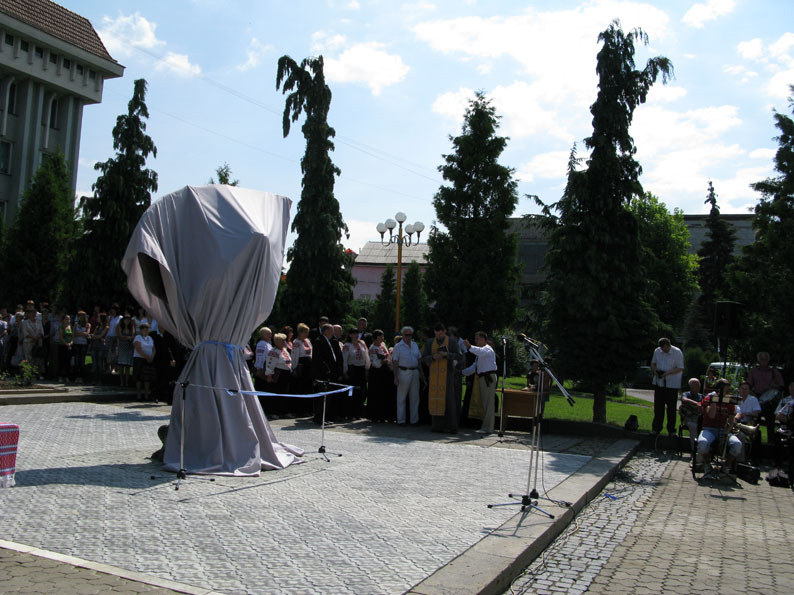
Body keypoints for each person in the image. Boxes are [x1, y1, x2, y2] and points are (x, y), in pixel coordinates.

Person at [695, 379, 742, 476]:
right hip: (709, 429)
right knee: (702, 443)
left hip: (724, 430)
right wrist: (714, 401)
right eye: (727, 389)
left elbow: (731, 419)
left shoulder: (730, 400)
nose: (729, 391)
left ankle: (726, 466)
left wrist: (727, 431)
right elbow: (711, 415)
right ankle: (707, 465)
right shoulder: (709, 398)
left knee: (737, 445)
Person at [422, 322, 462, 433]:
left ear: (444, 332)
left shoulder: (452, 342)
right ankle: (437, 426)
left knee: (449, 401)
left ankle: (452, 426)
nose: (438, 336)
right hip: (434, 376)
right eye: (436, 334)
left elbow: (459, 356)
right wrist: (433, 357)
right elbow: (423, 358)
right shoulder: (430, 342)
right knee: (436, 400)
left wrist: (447, 355)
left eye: (440, 334)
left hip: (448, 376)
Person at [462, 331, 499, 435]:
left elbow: (479, 351)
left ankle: (488, 428)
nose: (476, 341)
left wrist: (469, 347)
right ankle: (486, 427)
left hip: (488, 378)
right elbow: (474, 367)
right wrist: (462, 372)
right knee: (486, 403)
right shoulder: (480, 354)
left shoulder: (487, 349)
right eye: (475, 339)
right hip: (483, 378)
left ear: (483, 339)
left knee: (488, 404)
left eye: (477, 339)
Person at [747, 351, 784, 442]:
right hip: (757, 398)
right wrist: (753, 395)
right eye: (761, 359)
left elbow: (781, 386)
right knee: (755, 421)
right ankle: (755, 442)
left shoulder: (773, 371)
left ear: (768, 360)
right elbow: (748, 385)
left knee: (770, 422)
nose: (763, 361)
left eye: (765, 359)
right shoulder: (753, 371)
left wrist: (775, 387)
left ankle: (770, 443)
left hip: (770, 402)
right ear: (758, 360)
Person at [650, 337, 684, 436]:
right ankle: (656, 428)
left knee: (671, 409)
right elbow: (653, 363)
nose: (663, 350)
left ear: (668, 345)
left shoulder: (677, 352)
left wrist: (668, 373)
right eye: (662, 348)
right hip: (659, 383)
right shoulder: (657, 351)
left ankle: (671, 430)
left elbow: (680, 368)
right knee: (658, 408)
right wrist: (655, 371)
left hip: (672, 384)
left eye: (665, 348)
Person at [311, 323, 343, 424]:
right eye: (332, 330)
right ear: (326, 331)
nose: (333, 333)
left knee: (329, 397)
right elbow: (318, 358)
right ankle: (318, 417)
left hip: (331, 373)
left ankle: (325, 417)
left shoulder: (330, 341)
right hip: (323, 374)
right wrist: (326, 369)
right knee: (323, 396)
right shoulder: (319, 341)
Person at [392, 326, 424, 426]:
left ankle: (414, 420)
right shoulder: (398, 346)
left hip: (415, 372)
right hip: (403, 371)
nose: (408, 337)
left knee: (415, 398)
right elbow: (395, 362)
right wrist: (395, 376)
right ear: (403, 335)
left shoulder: (415, 345)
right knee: (401, 397)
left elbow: (419, 360)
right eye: (406, 335)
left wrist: (421, 373)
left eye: (410, 335)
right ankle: (401, 420)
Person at [343, 327, 370, 419]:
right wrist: (345, 372)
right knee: (351, 392)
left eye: (357, 333)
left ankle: (358, 412)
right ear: (350, 335)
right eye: (354, 333)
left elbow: (366, 356)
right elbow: (344, 359)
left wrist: (367, 368)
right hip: (352, 369)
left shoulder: (362, 343)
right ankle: (349, 413)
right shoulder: (347, 345)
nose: (356, 335)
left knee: (360, 392)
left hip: (361, 369)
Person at [367, 330, 393, 422]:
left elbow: (387, 357)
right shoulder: (373, 348)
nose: (383, 338)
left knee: (384, 394)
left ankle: (383, 415)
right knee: (376, 394)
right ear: (377, 337)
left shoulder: (382, 345)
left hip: (384, 372)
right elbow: (375, 363)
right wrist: (383, 361)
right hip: (377, 373)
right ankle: (375, 415)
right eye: (381, 336)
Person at [264, 333, 292, 416]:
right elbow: (269, 364)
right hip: (278, 373)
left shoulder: (284, 350)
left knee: (285, 392)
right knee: (276, 392)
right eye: (282, 340)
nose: (284, 342)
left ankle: (283, 411)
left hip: (286, 373)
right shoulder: (273, 352)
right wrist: (269, 375)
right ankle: (274, 412)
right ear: (277, 342)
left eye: (284, 340)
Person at [735, 380, 762, 465]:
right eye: (742, 388)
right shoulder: (735, 399)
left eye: (746, 389)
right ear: (739, 389)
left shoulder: (753, 399)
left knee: (757, 434)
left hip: (748, 422)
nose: (744, 390)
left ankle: (755, 458)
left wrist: (746, 414)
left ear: (749, 390)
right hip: (736, 422)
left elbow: (756, 413)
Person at [679, 377, 704, 456]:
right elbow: (684, 399)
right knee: (694, 427)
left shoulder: (701, 396)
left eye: (699, 385)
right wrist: (696, 404)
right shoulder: (686, 394)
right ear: (691, 386)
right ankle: (694, 451)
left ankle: (703, 451)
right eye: (697, 385)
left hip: (699, 419)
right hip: (689, 419)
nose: (699, 387)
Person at [132, 322, 156, 401]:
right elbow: (138, 348)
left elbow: (153, 349)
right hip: (139, 359)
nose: (146, 331)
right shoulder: (138, 337)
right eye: (145, 329)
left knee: (147, 378)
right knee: (138, 377)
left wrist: (151, 357)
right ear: (141, 330)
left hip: (148, 360)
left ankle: (146, 395)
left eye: (147, 329)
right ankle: (138, 395)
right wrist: (146, 357)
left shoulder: (150, 338)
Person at [116, 314, 135, 388]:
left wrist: (126, 337)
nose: (127, 321)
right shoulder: (120, 327)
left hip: (129, 347)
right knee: (121, 365)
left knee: (127, 366)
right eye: (125, 319)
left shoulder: (132, 327)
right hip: (121, 347)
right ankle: (121, 382)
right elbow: (120, 336)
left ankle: (126, 382)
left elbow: (132, 336)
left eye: (128, 320)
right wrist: (128, 337)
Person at [72, 310, 91, 383]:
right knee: (77, 361)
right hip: (77, 343)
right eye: (78, 316)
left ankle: (81, 377)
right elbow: (74, 333)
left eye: (80, 316)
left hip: (83, 344)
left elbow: (87, 334)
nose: (79, 317)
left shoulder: (88, 325)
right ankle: (76, 376)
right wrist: (82, 333)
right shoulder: (76, 324)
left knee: (82, 361)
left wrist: (79, 333)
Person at [90, 313, 109, 383]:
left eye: (98, 317)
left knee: (100, 363)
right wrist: (96, 337)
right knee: (95, 363)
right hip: (95, 345)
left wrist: (95, 336)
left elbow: (100, 336)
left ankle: (100, 379)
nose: (97, 318)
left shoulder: (106, 327)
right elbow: (93, 336)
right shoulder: (97, 327)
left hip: (101, 346)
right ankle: (94, 379)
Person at [57, 313, 74, 382]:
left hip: (69, 346)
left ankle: (67, 376)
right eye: (66, 319)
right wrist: (66, 343)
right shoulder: (61, 327)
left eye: (69, 319)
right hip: (62, 345)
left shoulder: (71, 327)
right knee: (62, 361)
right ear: (63, 320)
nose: (68, 320)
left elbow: (73, 337)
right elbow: (61, 337)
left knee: (68, 361)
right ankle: (60, 376)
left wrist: (70, 343)